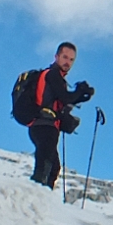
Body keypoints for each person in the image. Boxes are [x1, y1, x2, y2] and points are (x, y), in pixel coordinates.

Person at [27, 42, 94, 188]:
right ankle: (35, 197)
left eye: (71, 60)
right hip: (44, 125)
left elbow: (63, 99)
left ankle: (40, 198)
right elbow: (65, 97)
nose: (67, 62)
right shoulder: (53, 74)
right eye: (65, 57)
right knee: (46, 165)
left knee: (52, 168)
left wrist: (82, 96)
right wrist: (80, 92)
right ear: (56, 56)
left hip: (43, 126)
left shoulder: (54, 76)